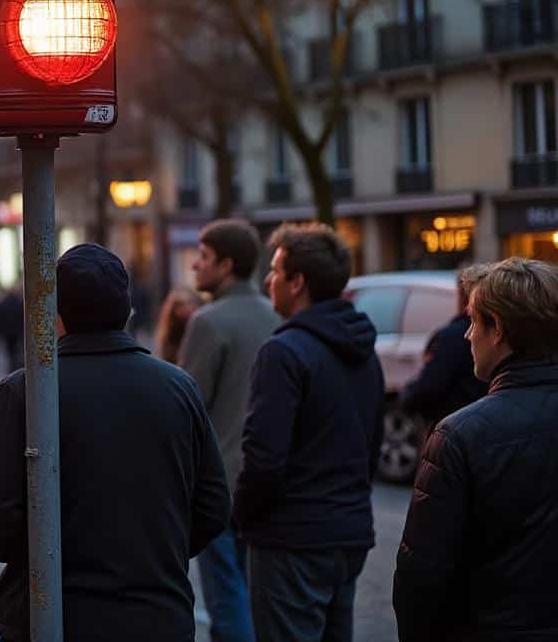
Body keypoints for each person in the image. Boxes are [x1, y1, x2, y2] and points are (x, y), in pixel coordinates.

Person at [0, 244, 230, 642]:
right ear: (126, 311)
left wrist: (42, 558)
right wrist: (157, 553)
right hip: (156, 614)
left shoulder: (28, 391)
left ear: (54, 313)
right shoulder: (177, 387)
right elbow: (212, 504)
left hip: (54, 615)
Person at [393, 258, 558, 641]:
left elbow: (422, 577)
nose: (467, 335)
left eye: (472, 321)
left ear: (497, 329)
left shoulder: (459, 436)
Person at [234, 224, 384, 642]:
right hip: (348, 532)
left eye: (276, 271)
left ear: (297, 283)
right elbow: (371, 444)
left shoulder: (283, 352)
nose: (268, 280)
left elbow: (263, 458)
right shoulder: (361, 349)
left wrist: (243, 517)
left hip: (290, 538)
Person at [177, 220, 280, 642]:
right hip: (268, 477)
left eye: (203, 257)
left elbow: (186, 404)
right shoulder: (277, 316)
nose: (195, 267)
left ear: (227, 264)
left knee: (226, 596)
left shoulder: (209, 322)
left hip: (219, 479)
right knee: (255, 593)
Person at [399, 271, 487, 434]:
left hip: (454, 429)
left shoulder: (451, 336)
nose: (469, 335)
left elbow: (428, 387)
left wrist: (407, 398)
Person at [154, 288, 203, 364]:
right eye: (180, 305)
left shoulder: (203, 329)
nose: (186, 309)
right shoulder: (169, 337)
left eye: (190, 303)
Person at [0, 286, 24, 372]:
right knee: (16, 350)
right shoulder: (19, 303)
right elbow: (21, 318)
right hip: (16, 332)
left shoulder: (2, 304)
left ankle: (12, 367)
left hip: (7, 333)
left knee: (10, 351)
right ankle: (16, 365)